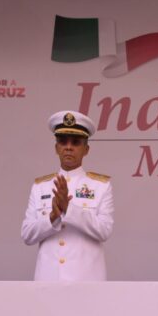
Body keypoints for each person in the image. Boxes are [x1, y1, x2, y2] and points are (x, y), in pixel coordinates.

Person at [21, 111, 114, 281]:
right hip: (48, 279)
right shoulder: (40, 187)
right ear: (56, 148)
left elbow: (104, 231)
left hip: (86, 280)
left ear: (86, 150)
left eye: (76, 142)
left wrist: (69, 209)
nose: (69, 147)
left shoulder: (100, 186)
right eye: (63, 141)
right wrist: (52, 217)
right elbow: (27, 235)